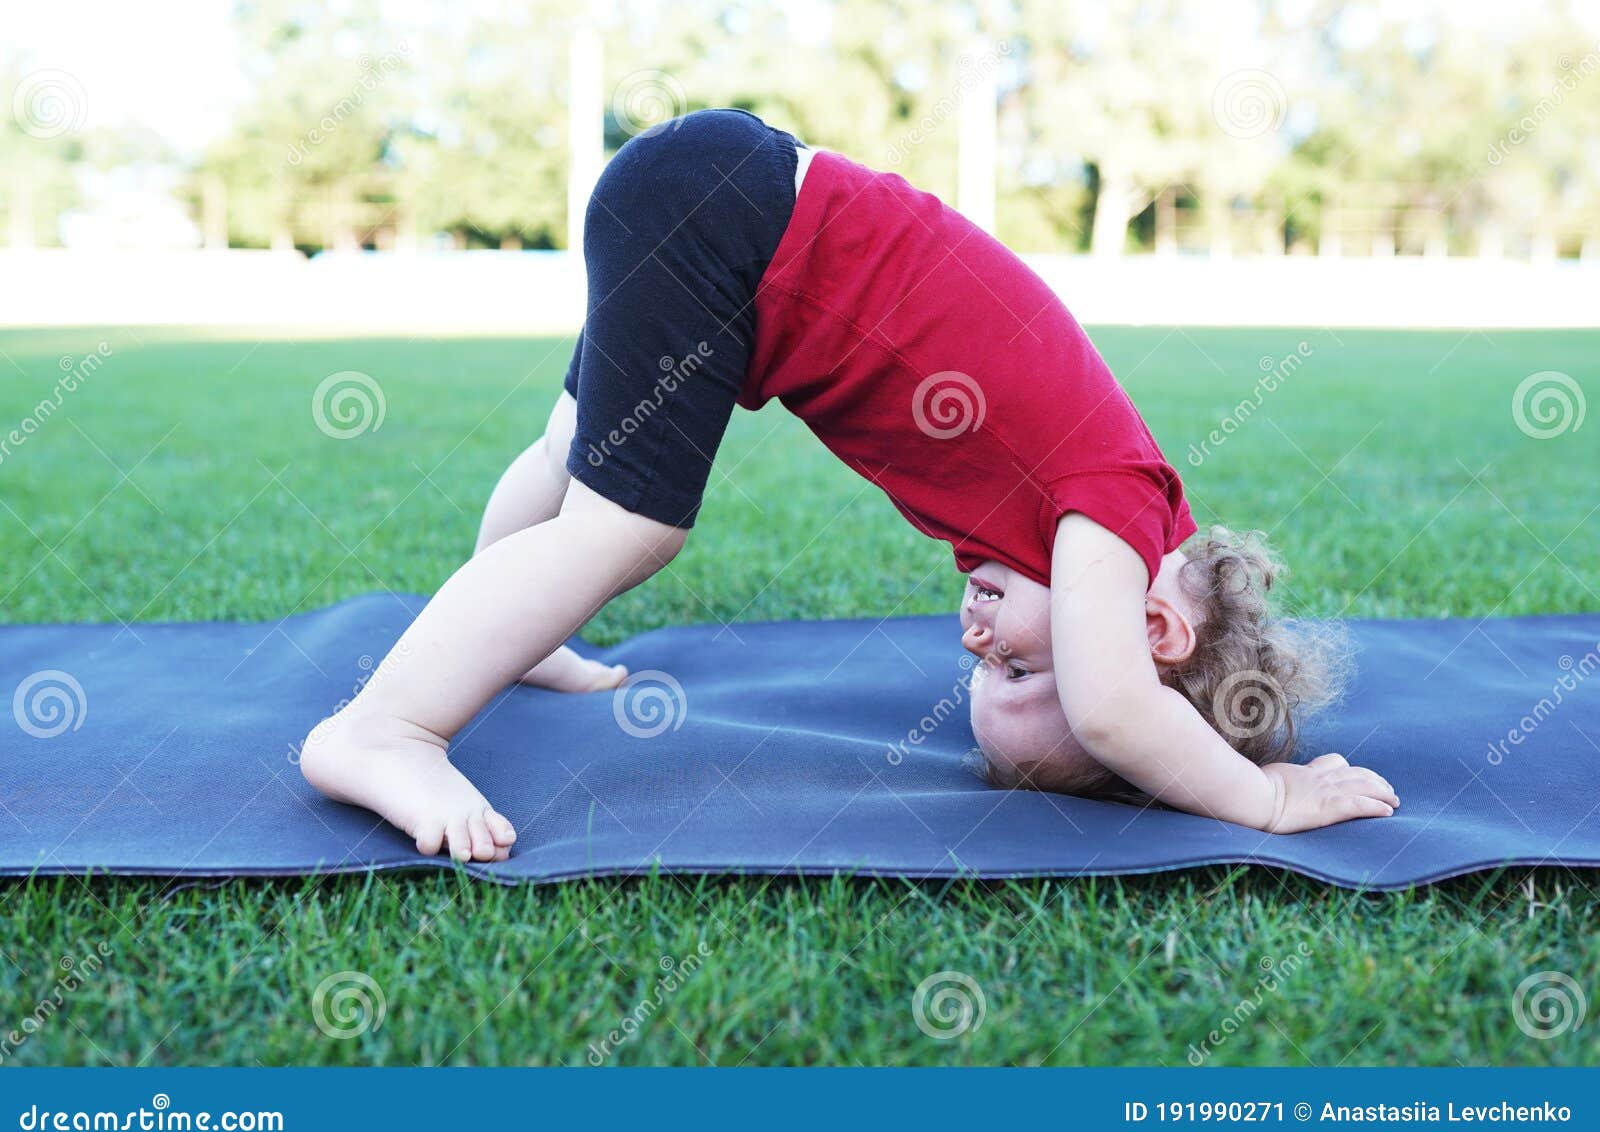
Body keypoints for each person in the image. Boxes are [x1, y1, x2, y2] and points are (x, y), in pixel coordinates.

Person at [301, 109, 1396, 862]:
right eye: (1020, 661)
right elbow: (1113, 712)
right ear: (1153, 626)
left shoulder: (1106, 510)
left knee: (571, 454)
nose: (976, 641)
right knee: (626, 524)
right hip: (730, 223)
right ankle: (385, 726)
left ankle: (514, 630)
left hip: (718, 192)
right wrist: (1262, 794)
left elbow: (1107, 696)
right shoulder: (1108, 510)